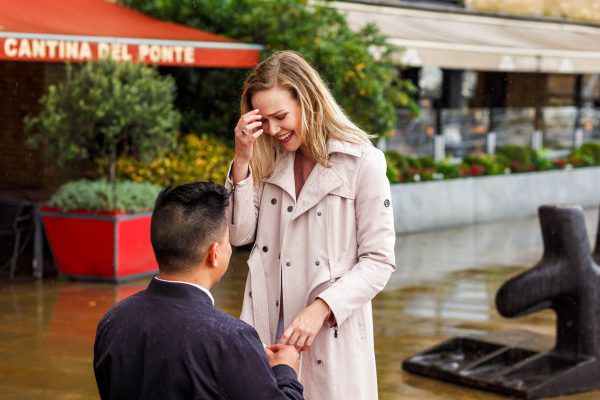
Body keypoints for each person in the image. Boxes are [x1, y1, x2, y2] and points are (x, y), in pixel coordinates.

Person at [225, 51, 396, 399]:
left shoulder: (364, 163)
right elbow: (237, 234)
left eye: (281, 116)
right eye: (264, 120)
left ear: (309, 101)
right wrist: (242, 157)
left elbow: (379, 261)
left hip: (332, 332)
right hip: (268, 331)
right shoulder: (266, 159)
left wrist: (321, 308)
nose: (273, 130)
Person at [93, 182, 304, 400]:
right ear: (214, 253)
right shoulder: (230, 339)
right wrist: (285, 371)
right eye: (226, 241)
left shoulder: (113, 321)